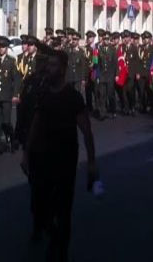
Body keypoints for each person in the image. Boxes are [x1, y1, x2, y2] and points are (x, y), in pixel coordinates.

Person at [22, 42, 98, 262]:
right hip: (44, 159)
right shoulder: (44, 95)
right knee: (41, 206)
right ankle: (52, 235)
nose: (49, 69)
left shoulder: (73, 97)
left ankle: (60, 251)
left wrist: (92, 163)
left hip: (65, 161)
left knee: (63, 210)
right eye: (49, 65)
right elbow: (36, 125)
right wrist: (26, 155)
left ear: (63, 69)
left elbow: (86, 130)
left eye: (54, 65)